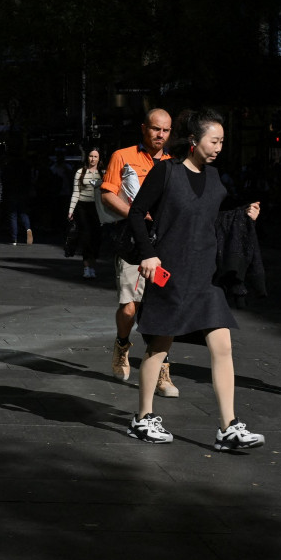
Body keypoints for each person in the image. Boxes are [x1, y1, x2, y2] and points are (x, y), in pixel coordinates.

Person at [126, 109, 265, 450]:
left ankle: (228, 427)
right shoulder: (166, 172)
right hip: (169, 275)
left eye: (221, 141)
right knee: (159, 347)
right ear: (194, 140)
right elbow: (134, 213)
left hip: (206, 277)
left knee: (223, 344)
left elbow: (214, 221)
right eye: (213, 140)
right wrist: (147, 253)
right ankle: (142, 419)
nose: (218, 147)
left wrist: (243, 218)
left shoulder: (216, 178)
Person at [99, 108, 179, 396]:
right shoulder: (123, 156)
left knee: (161, 308)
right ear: (144, 128)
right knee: (130, 306)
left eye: (166, 130)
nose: (160, 135)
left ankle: (162, 372)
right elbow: (107, 194)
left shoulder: (175, 163)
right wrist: (138, 214)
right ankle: (122, 344)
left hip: (165, 244)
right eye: (156, 129)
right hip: (133, 243)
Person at [67, 147, 104, 278]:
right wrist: (71, 210)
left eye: (95, 156)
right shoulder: (80, 172)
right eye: (90, 156)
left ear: (99, 159)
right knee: (86, 236)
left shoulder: (103, 173)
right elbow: (76, 192)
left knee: (96, 238)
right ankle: (87, 267)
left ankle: (93, 265)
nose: (92, 159)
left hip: (97, 209)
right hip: (82, 207)